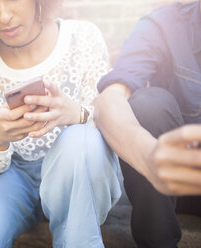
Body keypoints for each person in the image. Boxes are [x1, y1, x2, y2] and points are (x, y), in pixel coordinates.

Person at [0, 0, 122, 247]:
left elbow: (112, 125)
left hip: (77, 179)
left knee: (80, 140)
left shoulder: (83, 38)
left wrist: (77, 114)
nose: (3, 16)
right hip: (14, 178)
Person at [94, 1, 201, 247]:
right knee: (147, 104)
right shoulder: (164, 24)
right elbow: (108, 101)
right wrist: (152, 157)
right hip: (179, 181)